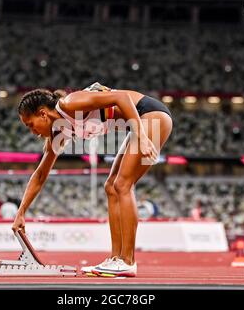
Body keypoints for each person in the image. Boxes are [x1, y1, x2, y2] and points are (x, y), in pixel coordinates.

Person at [12, 83, 172, 277]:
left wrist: (143, 137)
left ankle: (127, 261)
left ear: (43, 113)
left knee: (122, 185)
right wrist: (21, 212)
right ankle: (116, 259)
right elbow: (40, 175)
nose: (32, 132)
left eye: (30, 124)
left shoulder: (70, 104)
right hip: (141, 123)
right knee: (111, 187)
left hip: (152, 116)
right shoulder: (59, 133)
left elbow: (121, 97)